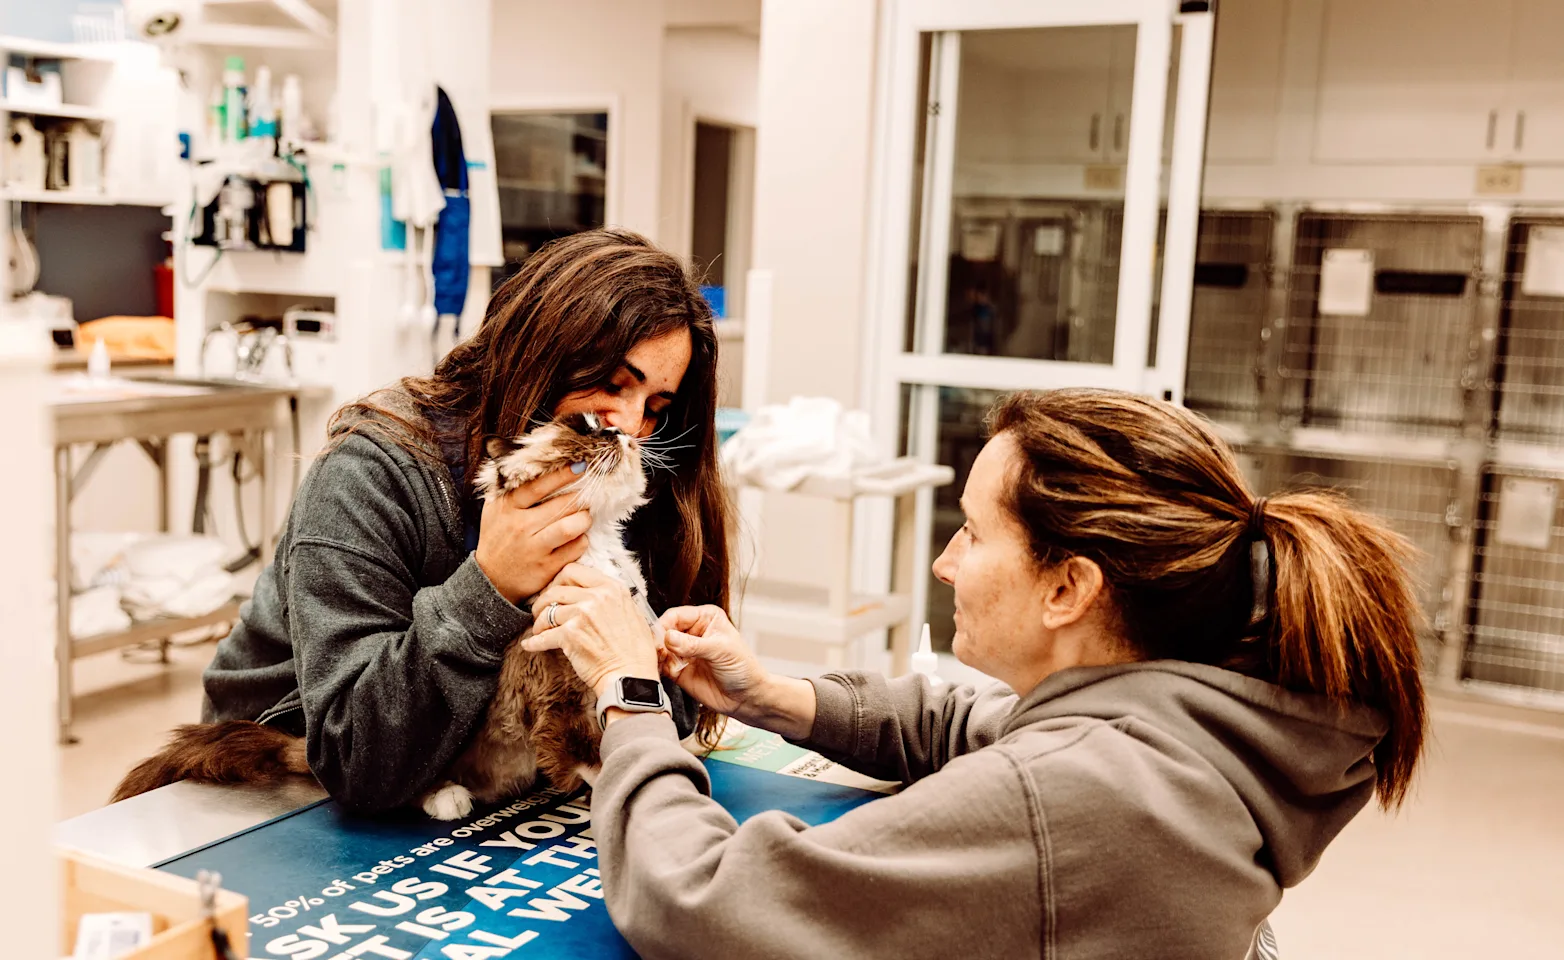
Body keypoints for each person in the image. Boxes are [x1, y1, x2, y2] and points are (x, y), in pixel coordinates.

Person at [525, 388, 1428, 960]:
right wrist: (777, 697)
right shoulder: (1191, 724)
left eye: (975, 533)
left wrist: (627, 693)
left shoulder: (1080, 799)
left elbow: (700, 905)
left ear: (1069, 587)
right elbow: (978, 723)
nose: (945, 563)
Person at [199, 228, 730, 811]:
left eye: (654, 407)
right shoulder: (370, 474)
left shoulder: (609, 477)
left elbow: (663, 713)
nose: (629, 425)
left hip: (481, 782)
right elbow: (354, 755)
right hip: (272, 770)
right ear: (539, 354)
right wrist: (492, 584)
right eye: (611, 384)